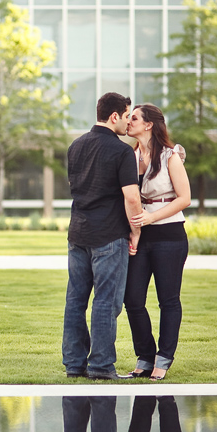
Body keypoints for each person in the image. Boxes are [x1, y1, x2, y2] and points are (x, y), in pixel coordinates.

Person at [63, 92, 143, 380]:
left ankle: (74, 364)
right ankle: (100, 365)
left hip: (78, 234)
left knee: (76, 299)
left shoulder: (76, 146)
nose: (127, 121)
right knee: (106, 302)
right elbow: (132, 198)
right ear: (114, 116)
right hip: (109, 236)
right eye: (126, 116)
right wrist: (136, 231)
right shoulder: (121, 152)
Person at [124, 104, 192, 380]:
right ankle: (145, 355)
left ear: (149, 124)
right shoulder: (131, 155)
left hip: (169, 234)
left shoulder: (170, 157)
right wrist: (136, 228)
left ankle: (163, 358)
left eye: (134, 118)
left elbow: (184, 198)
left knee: (168, 299)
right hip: (141, 234)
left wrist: (151, 219)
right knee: (132, 299)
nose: (129, 122)